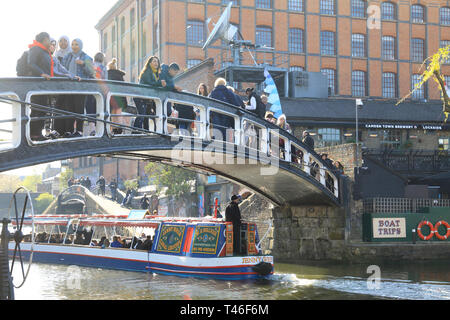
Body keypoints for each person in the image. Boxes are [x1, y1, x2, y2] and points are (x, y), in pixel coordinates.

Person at [59, 38, 95, 137]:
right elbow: (62, 69)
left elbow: (92, 72)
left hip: (80, 87)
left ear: (80, 45)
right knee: (69, 109)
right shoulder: (67, 56)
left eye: (76, 45)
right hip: (68, 87)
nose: (74, 46)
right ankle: (69, 131)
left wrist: (83, 64)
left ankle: (79, 131)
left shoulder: (86, 57)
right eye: (73, 44)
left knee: (79, 109)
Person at [27, 32, 54, 140]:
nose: (50, 41)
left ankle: (38, 133)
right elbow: (31, 63)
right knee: (37, 109)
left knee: (42, 109)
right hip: (37, 85)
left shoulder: (44, 51)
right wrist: (41, 73)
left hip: (44, 86)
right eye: (49, 39)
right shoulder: (36, 49)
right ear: (44, 39)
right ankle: (33, 134)